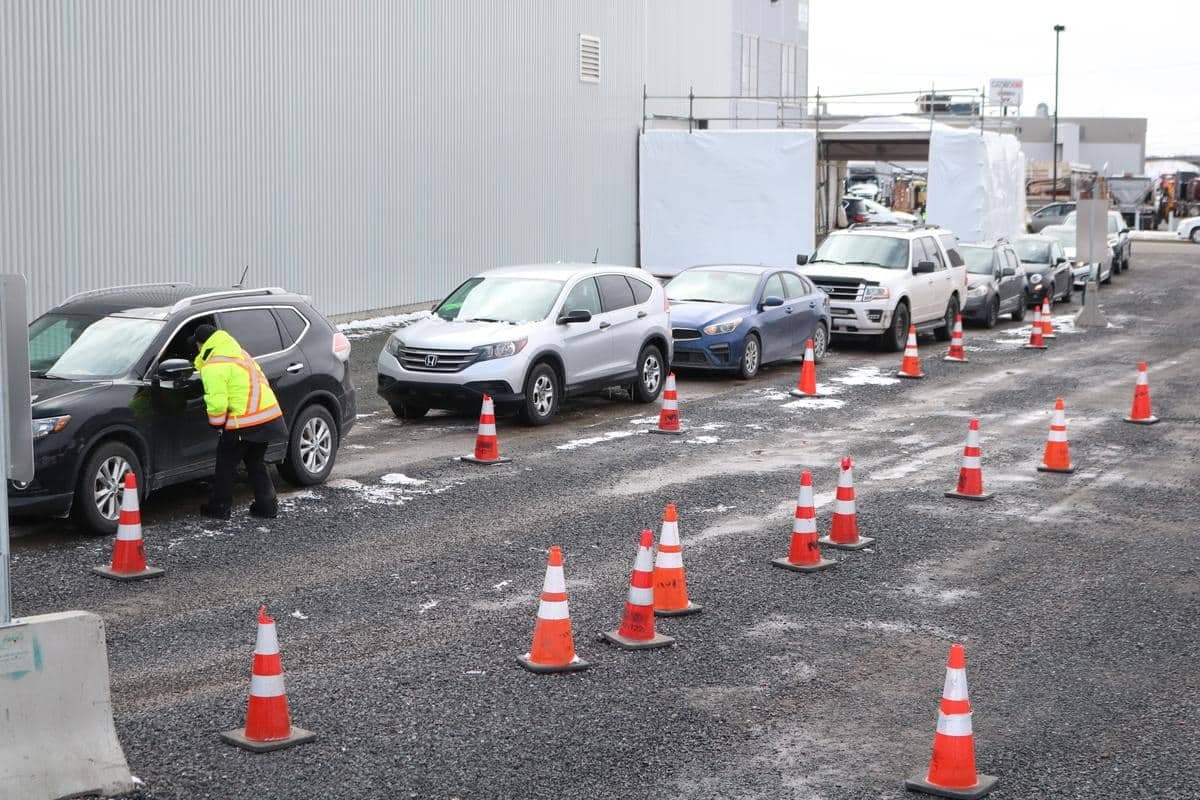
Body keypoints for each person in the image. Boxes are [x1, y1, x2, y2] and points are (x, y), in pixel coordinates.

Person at [190, 324, 289, 520]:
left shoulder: (213, 365)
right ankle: (267, 507)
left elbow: (217, 402)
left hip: (243, 422)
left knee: (225, 465)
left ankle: (219, 508)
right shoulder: (240, 353)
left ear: (201, 345)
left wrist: (217, 424)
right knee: (255, 462)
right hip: (267, 417)